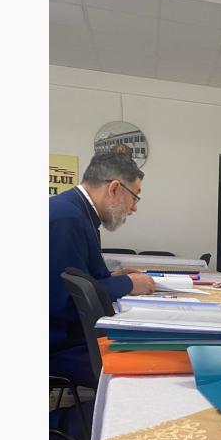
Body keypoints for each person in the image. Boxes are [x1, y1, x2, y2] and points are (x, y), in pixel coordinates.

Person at [49, 150, 154, 387]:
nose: (134, 208)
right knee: (146, 362)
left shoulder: (74, 212)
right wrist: (127, 284)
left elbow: (76, 278)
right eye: (135, 197)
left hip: (66, 337)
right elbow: (65, 301)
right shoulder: (67, 219)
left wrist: (113, 277)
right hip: (58, 346)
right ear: (114, 188)